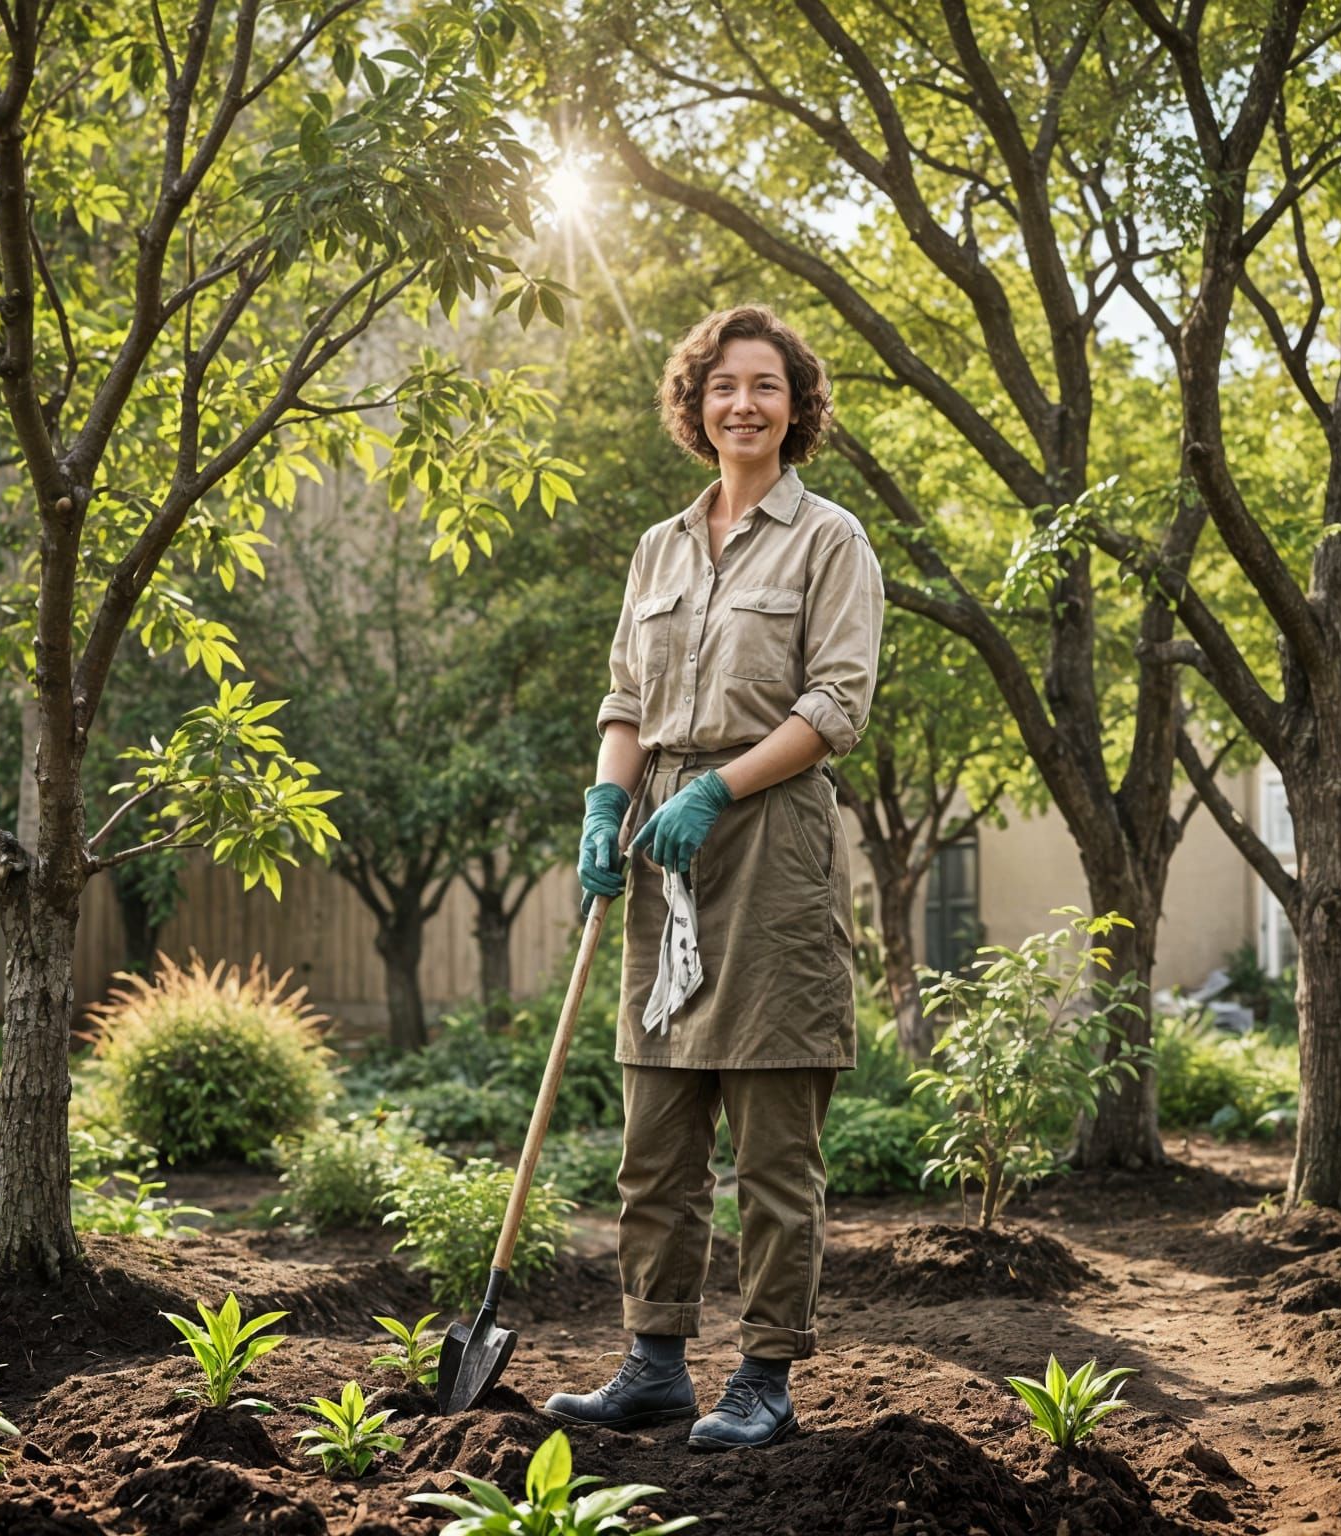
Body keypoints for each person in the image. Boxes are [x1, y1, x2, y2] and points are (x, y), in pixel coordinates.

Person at [541, 304, 883, 1452]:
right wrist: (606, 803)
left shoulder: (829, 540)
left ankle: (766, 1378)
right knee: (656, 1138)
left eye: (766, 386)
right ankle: (653, 1364)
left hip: (772, 848)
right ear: (695, 404)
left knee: (774, 1147)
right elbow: (624, 702)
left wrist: (715, 791)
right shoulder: (659, 548)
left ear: (797, 407)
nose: (744, 403)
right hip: (660, 850)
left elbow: (836, 705)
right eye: (723, 385)